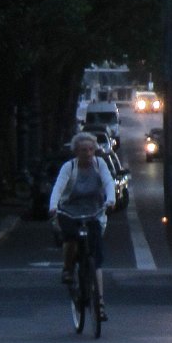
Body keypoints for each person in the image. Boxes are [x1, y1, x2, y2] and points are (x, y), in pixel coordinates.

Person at [49, 132, 116, 321]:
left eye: (90, 149)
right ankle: (68, 268)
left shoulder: (99, 165)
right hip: (70, 211)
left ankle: (100, 303)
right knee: (70, 237)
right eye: (83, 150)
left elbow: (108, 182)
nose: (87, 153)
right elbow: (58, 187)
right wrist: (53, 206)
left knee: (96, 258)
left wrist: (111, 200)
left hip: (94, 211)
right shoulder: (68, 168)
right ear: (76, 152)